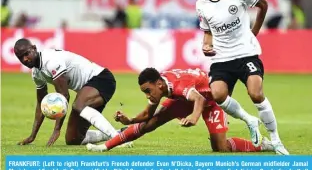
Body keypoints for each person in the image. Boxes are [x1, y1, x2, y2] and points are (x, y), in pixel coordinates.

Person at [189, 0, 288, 154]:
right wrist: (206, 44)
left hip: (246, 54)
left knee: (256, 94)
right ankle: (250, 120)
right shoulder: (201, 5)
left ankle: (276, 141)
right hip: (222, 58)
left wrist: (254, 32)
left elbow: (263, 4)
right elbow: (207, 31)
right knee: (218, 95)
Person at [86, 68, 274, 153]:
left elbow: (199, 99)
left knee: (220, 148)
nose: (148, 96)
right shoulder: (160, 88)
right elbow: (146, 115)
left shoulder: (177, 85)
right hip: (185, 101)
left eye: (148, 91)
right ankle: (105, 146)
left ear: (159, 84)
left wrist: (194, 116)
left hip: (210, 100)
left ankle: (263, 145)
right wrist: (130, 120)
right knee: (149, 124)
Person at [14, 38, 132, 147]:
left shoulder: (50, 61)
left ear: (34, 48)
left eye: (26, 54)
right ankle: (120, 133)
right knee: (73, 140)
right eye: (20, 57)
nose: (25, 59)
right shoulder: (36, 74)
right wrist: (32, 136)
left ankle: (118, 138)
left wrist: (56, 129)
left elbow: (64, 97)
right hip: (87, 91)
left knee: (78, 105)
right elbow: (40, 104)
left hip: (102, 79)